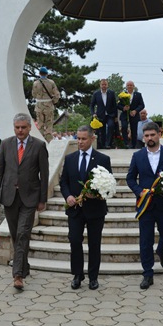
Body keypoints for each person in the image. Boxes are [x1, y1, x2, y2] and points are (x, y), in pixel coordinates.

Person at [0, 113, 49, 290]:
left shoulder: (38, 146)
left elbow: (44, 176)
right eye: (17, 127)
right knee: (16, 235)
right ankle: (25, 266)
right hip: (9, 198)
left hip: (30, 198)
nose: (20, 130)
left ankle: (17, 275)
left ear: (30, 127)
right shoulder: (6, 144)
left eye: (23, 127)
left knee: (23, 233)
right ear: (14, 127)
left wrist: (42, 199)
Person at [126, 122, 163, 290]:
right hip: (146, 206)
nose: (149, 138)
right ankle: (147, 274)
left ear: (159, 134)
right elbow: (130, 178)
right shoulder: (137, 156)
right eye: (147, 136)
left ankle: (162, 252)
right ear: (144, 137)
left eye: (152, 135)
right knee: (145, 240)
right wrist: (138, 191)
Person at [59, 125, 112, 291]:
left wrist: (96, 195)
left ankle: (93, 277)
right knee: (74, 241)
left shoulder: (103, 159)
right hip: (75, 210)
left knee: (94, 244)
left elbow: (109, 185)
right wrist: (67, 196)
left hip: (95, 210)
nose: (80, 142)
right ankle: (77, 275)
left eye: (83, 139)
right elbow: (63, 182)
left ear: (92, 139)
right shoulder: (70, 158)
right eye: (78, 138)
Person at [32, 66, 60, 142]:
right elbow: (57, 95)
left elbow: (34, 94)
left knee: (40, 125)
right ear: (47, 74)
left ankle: (40, 142)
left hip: (39, 106)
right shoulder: (51, 83)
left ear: (39, 73)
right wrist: (54, 101)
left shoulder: (35, 83)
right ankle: (49, 142)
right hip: (48, 105)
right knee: (49, 125)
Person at [90, 78, 117, 149]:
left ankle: (108, 144)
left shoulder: (111, 93)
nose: (104, 86)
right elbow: (92, 105)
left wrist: (116, 116)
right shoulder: (96, 94)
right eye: (102, 84)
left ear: (107, 85)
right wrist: (93, 114)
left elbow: (114, 105)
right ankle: (103, 145)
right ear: (100, 85)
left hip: (110, 115)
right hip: (100, 115)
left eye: (105, 84)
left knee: (111, 126)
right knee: (102, 131)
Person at [118, 80, 145, 149]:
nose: (129, 86)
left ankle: (133, 145)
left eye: (131, 85)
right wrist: (123, 108)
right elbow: (118, 105)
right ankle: (126, 143)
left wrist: (135, 111)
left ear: (133, 86)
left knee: (134, 130)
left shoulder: (138, 95)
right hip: (125, 114)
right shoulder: (122, 95)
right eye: (128, 85)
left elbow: (142, 105)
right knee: (124, 127)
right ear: (126, 86)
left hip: (134, 115)